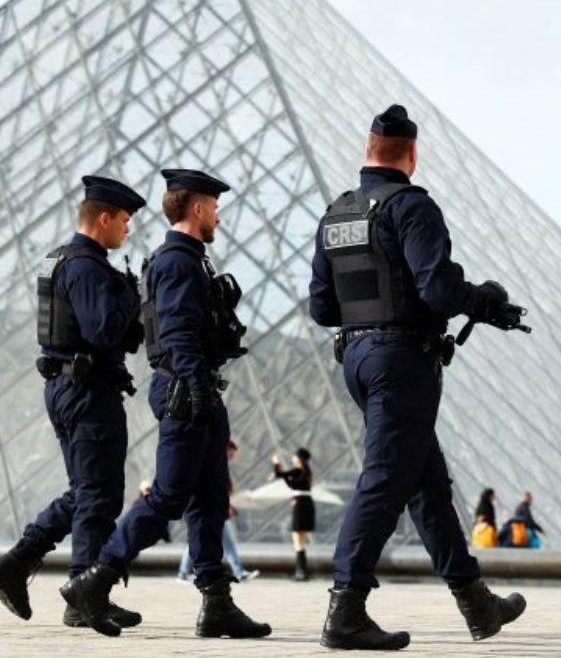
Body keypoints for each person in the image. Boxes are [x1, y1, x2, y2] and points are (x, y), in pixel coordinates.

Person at [309, 104, 527, 649]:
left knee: (427, 484)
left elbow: (321, 307)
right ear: (411, 154)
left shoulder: (336, 215)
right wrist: (485, 303)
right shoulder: (412, 207)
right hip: (402, 362)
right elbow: (438, 290)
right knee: (385, 478)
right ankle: (346, 607)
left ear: (367, 150)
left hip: (357, 360)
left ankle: (477, 603)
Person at [61, 168, 270, 640]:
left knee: (210, 501)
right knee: (169, 497)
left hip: (197, 389)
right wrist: (197, 389)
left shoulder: (189, 258)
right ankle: (96, 580)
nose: (218, 215)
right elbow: (176, 334)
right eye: (214, 207)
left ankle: (216, 601)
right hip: (185, 390)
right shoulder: (178, 261)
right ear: (197, 209)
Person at [0, 175, 147, 630]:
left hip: (66, 387)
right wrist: (133, 298)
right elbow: (103, 331)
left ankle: (19, 562)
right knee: (100, 494)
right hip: (88, 391)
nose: (128, 230)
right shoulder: (88, 268)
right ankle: (84, 592)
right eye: (125, 220)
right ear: (104, 218)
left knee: (84, 490)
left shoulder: (63, 260)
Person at [179, 440, 258, 582]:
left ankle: (238, 571)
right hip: (207, 511)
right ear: (224, 450)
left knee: (208, 542)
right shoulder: (213, 465)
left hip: (213, 511)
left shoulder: (216, 465)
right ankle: (183, 573)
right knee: (197, 541)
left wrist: (227, 506)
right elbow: (213, 490)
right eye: (231, 454)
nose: (232, 458)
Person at [273, 447, 316, 580]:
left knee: (297, 538)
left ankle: (301, 572)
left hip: (300, 505)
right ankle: (302, 571)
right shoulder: (306, 471)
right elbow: (285, 477)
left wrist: (276, 463)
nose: (293, 459)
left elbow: (289, 481)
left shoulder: (300, 471)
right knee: (300, 539)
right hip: (305, 503)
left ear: (299, 459)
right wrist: (283, 472)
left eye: (294, 457)